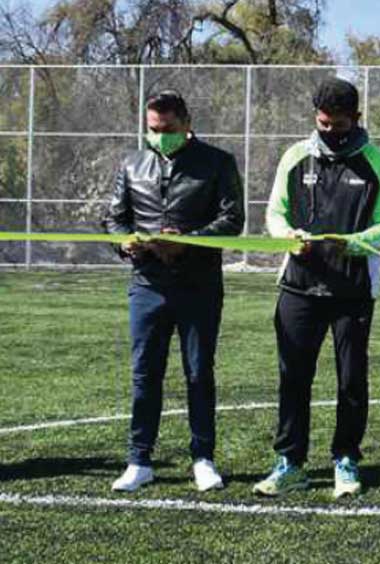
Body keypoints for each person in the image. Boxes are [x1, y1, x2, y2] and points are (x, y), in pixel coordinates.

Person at [253, 77, 380, 499]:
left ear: (356, 118)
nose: (330, 131)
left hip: (352, 290)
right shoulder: (296, 156)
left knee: (351, 379)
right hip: (298, 287)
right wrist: (288, 237)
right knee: (292, 376)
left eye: (338, 124)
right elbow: (275, 213)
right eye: (323, 123)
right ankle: (290, 463)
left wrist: (351, 243)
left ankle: (346, 459)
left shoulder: (378, 163)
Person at [104, 90, 244, 492]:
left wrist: (189, 240)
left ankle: (203, 458)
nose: (158, 136)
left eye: (166, 129)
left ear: (186, 123)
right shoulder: (132, 164)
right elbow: (114, 218)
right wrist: (124, 241)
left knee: (199, 372)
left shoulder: (217, 162)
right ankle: (139, 460)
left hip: (198, 285)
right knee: (144, 374)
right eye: (152, 129)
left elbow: (233, 219)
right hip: (147, 284)